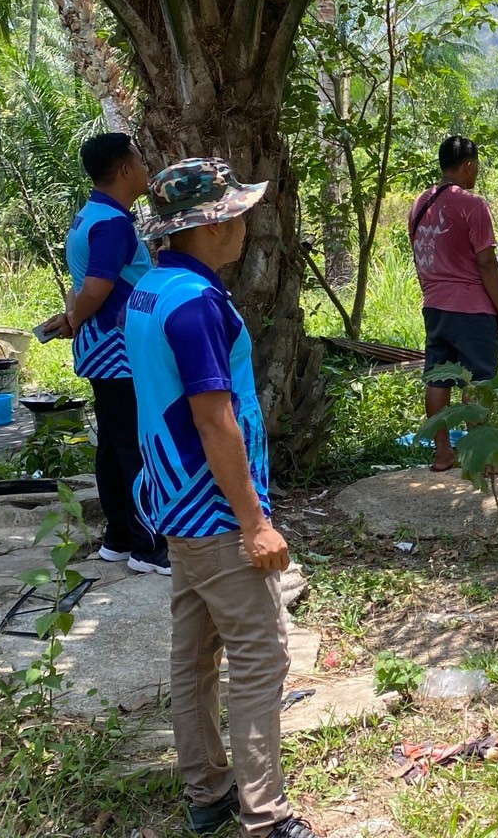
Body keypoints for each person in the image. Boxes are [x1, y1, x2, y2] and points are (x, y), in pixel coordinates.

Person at [124, 158, 318, 838]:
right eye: (235, 211)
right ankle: (265, 817)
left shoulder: (150, 289)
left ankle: (207, 791)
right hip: (213, 510)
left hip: (174, 504)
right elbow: (215, 418)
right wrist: (255, 523)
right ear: (211, 224)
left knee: (194, 653)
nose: (244, 222)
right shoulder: (197, 305)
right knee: (261, 656)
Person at [42, 133, 168, 575]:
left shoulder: (88, 216)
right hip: (120, 351)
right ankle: (148, 546)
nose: (147, 167)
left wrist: (72, 317)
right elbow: (96, 289)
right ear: (125, 169)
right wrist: (76, 316)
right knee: (136, 445)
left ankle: (117, 538)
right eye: (141, 158)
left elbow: (86, 285)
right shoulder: (113, 223)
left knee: (114, 446)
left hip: (102, 349)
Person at [409, 136, 498, 472]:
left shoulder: (419, 204)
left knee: (438, 379)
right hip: (472, 309)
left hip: (434, 306)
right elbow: (486, 263)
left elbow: (421, 256)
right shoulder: (473, 204)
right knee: (477, 381)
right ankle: (482, 459)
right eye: (476, 166)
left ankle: (443, 454)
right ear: (469, 165)